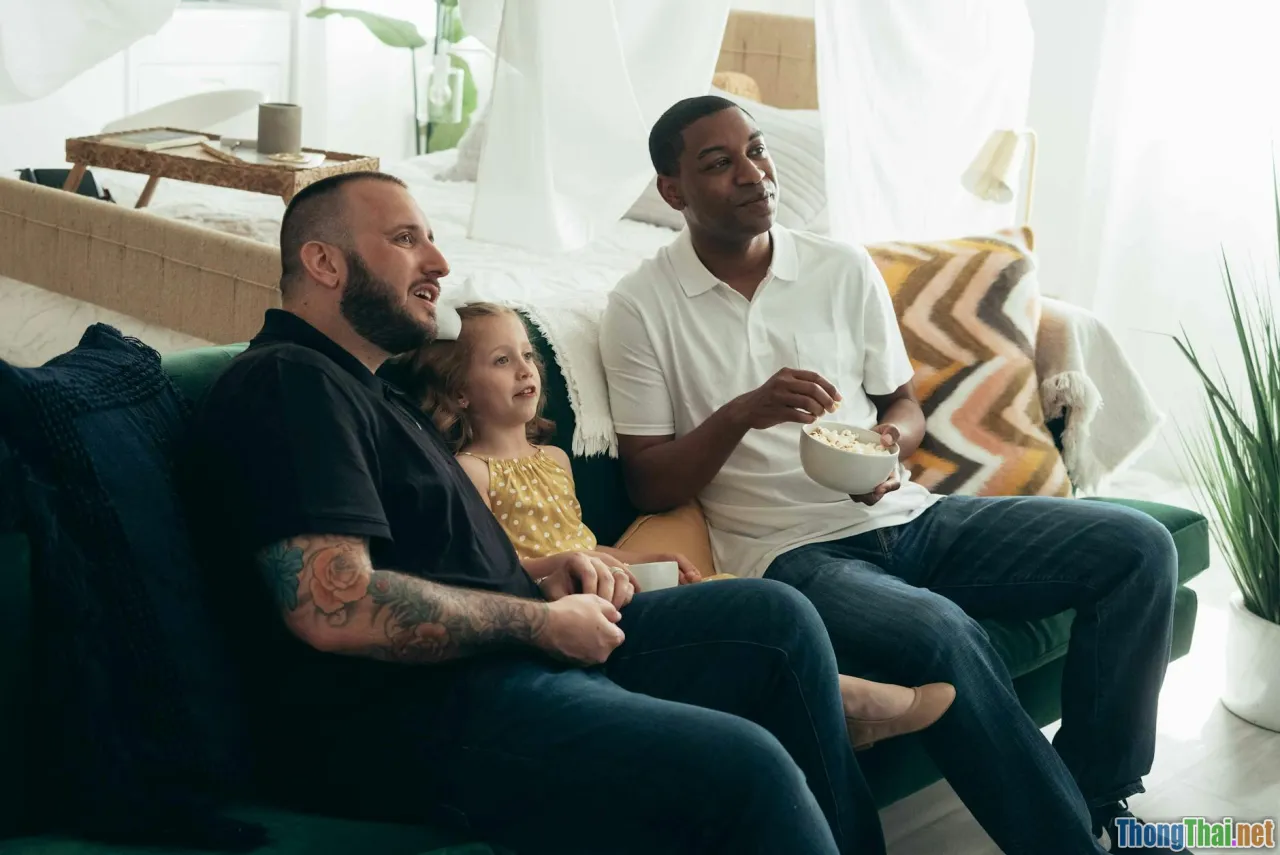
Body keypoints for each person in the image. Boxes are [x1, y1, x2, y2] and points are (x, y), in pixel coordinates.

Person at [181, 170, 889, 855]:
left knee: (773, 618)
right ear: (324, 262)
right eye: (405, 239)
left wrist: (541, 570)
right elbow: (334, 606)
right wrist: (543, 623)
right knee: (748, 766)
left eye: (431, 236)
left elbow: (425, 555)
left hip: (502, 653)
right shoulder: (290, 383)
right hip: (415, 713)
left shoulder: (370, 390)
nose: (438, 260)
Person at [599, 95, 1186, 855]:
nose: (753, 174)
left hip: (912, 516)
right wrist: (744, 411)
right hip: (794, 554)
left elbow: (903, 404)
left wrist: (887, 445)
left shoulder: (840, 267)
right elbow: (650, 483)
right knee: (941, 630)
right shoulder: (640, 306)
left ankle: (1099, 796)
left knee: (1140, 548)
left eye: (757, 149)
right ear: (672, 190)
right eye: (719, 163)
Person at [387, 300, 956, 750]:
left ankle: (832, 709)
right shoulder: (472, 472)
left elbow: (582, 542)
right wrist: (563, 571)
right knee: (759, 619)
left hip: (609, 582)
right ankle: (853, 702)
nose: (526, 370)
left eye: (528, 356)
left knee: (731, 593)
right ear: (459, 391)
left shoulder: (554, 461)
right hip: (565, 606)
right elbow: (491, 568)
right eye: (501, 361)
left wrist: (634, 561)